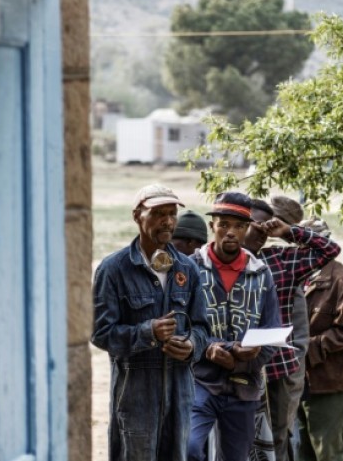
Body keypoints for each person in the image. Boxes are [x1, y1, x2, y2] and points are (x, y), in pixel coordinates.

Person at [91, 183, 210, 461]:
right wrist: (148, 332)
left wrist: (192, 345)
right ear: (137, 216)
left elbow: (203, 327)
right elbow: (100, 333)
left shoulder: (187, 268)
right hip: (135, 398)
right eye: (158, 214)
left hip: (180, 395)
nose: (167, 221)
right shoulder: (114, 269)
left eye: (171, 214)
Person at [244, 196, 342, 461]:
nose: (262, 234)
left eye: (268, 227)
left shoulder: (278, 261)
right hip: (234, 367)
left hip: (279, 367)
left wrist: (289, 232)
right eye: (255, 225)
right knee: (239, 438)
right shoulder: (212, 263)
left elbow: (330, 250)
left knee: (277, 436)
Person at [187, 191, 281, 461]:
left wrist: (241, 362)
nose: (231, 232)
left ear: (247, 229)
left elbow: (271, 332)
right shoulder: (191, 269)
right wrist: (208, 349)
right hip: (199, 380)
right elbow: (181, 326)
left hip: (244, 385)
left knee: (236, 457)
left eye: (239, 226)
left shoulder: (261, 274)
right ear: (212, 227)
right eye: (224, 224)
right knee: (190, 448)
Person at [294, 217, 343, 461]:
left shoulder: (341, 279)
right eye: (301, 244)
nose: (304, 250)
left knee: (329, 453)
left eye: (311, 244)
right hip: (297, 380)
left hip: (328, 380)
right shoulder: (299, 275)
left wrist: (307, 348)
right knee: (302, 452)